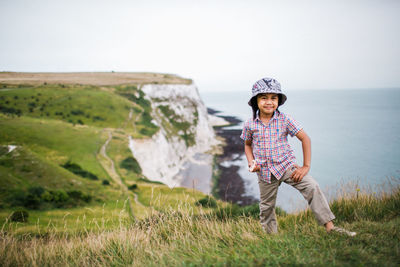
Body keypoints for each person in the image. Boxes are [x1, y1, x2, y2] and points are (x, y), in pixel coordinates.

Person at [240, 77, 356, 236]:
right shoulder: (249, 124)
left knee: (312, 187)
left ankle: (331, 228)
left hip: (287, 167)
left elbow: (305, 138)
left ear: (279, 101)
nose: (269, 102)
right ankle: (271, 238)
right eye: (264, 97)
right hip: (265, 172)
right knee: (266, 207)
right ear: (256, 101)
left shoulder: (285, 120)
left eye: (273, 98)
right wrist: (251, 162)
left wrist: (306, 166)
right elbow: (247, 145)